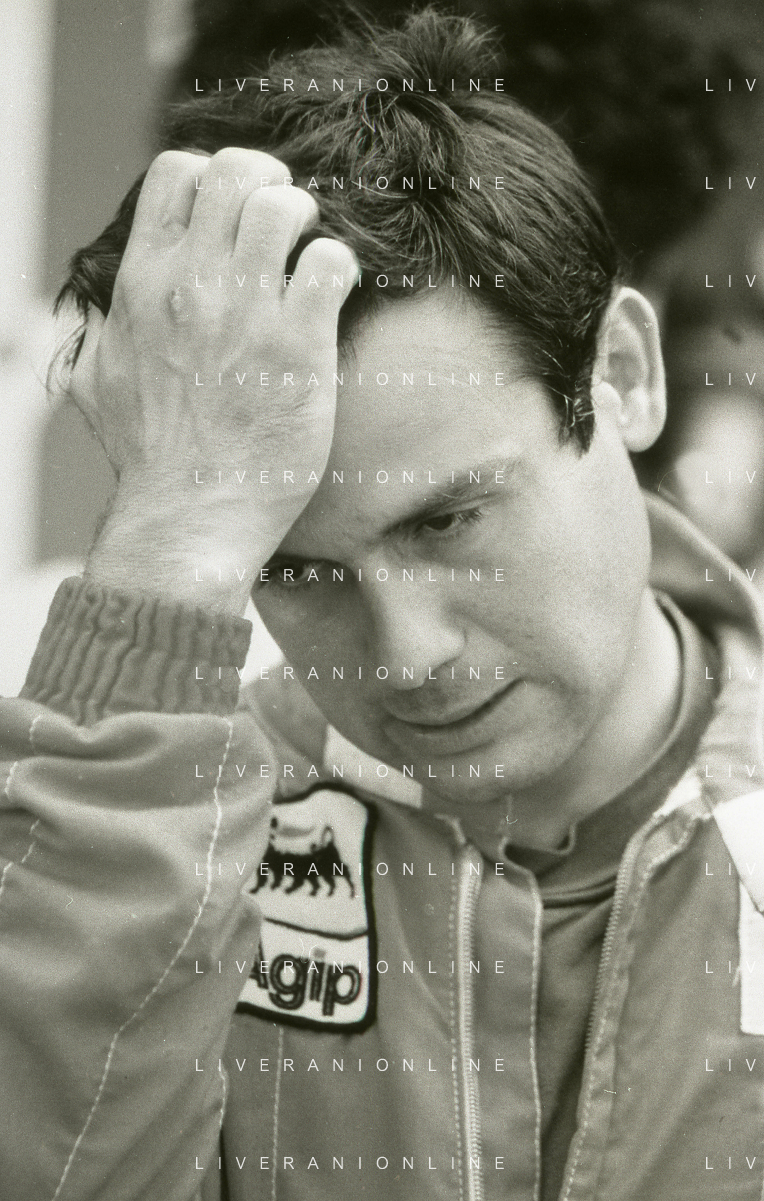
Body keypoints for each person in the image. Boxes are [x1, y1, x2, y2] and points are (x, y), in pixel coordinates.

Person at [2, 10, 763, 1200]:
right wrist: (167, 545)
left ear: (621, 374)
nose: (404, 657)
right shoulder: (157, 827)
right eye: (294, 571)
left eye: (447, 520)